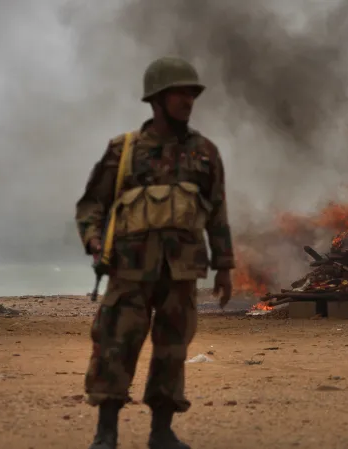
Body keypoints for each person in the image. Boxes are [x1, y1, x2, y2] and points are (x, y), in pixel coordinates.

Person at [75, 56, 235, 449]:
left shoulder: (205, 153)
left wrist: (225, 267)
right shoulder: (124, 150)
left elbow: (217, 213)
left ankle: (161, 432)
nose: (188, 100)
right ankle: (105, 433)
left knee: (172, 349)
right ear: (157, 99)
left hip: (181, 271)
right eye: (179, 92)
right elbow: (92, 204)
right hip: (129, 268)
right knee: (115, 345)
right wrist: (94, 239)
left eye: (192, 93)